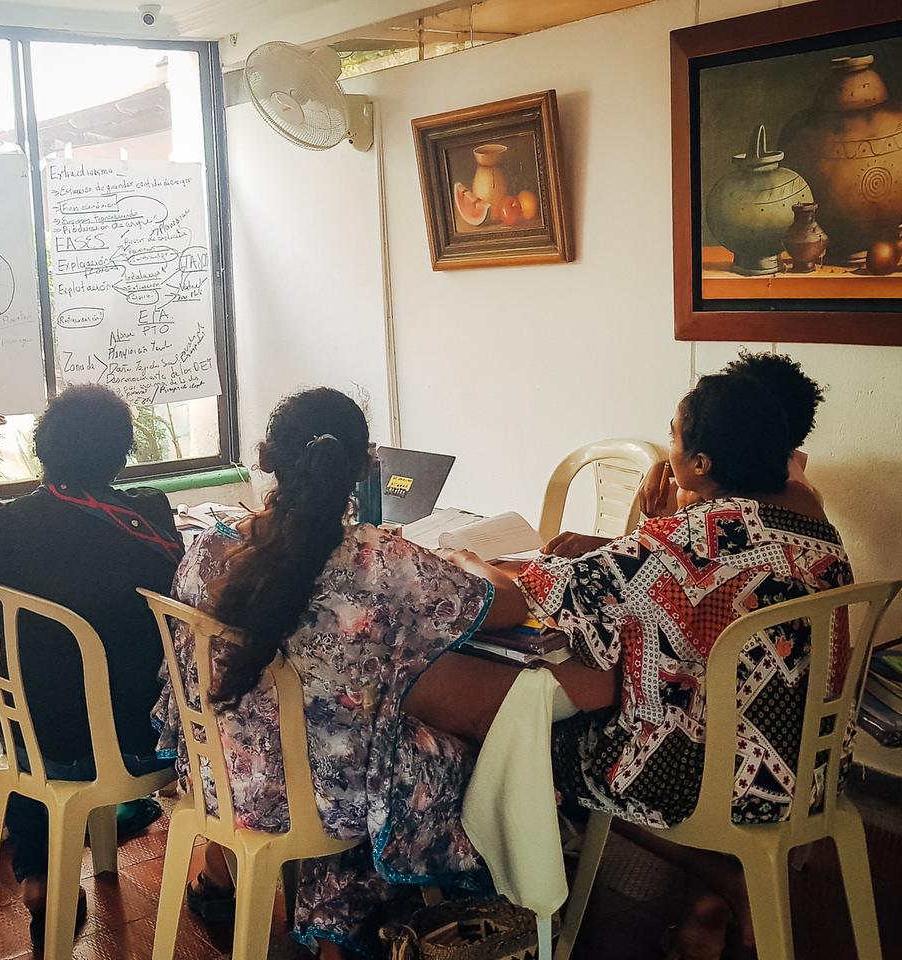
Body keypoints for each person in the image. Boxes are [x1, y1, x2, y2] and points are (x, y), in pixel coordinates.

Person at [153, 388, 616, 958]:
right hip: (334, 796)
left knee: (363, 744)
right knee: (444, 760)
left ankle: (285, 907)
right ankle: (386, 926)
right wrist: (469, 563)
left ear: (268, 456)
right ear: (364, 466)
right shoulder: (383, 562)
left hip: (220, 774)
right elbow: (510, 606)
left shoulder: (208, 549)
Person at [518, 374, 853, 960]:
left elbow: (548, 589)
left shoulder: (690, 536)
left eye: (672, 434)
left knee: (536, 739)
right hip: (812, 770)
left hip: (716, 783)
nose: (666, 445)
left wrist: (473, 560)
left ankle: (538, 917)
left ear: (699, 463)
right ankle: (717, 891)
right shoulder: (814, 527)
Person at [0, 384, 183, 950]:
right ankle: (105, 833)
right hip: (146, 742)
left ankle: (42, 874)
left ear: (42, 449)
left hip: (37, 747)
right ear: (122, 455)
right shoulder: (150, 512)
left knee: (29, 715)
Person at [546, 351, 828, 560]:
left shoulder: (750, 507)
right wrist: (673, 466)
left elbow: (673, 558)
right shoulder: (778, 488)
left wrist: (604, 547)